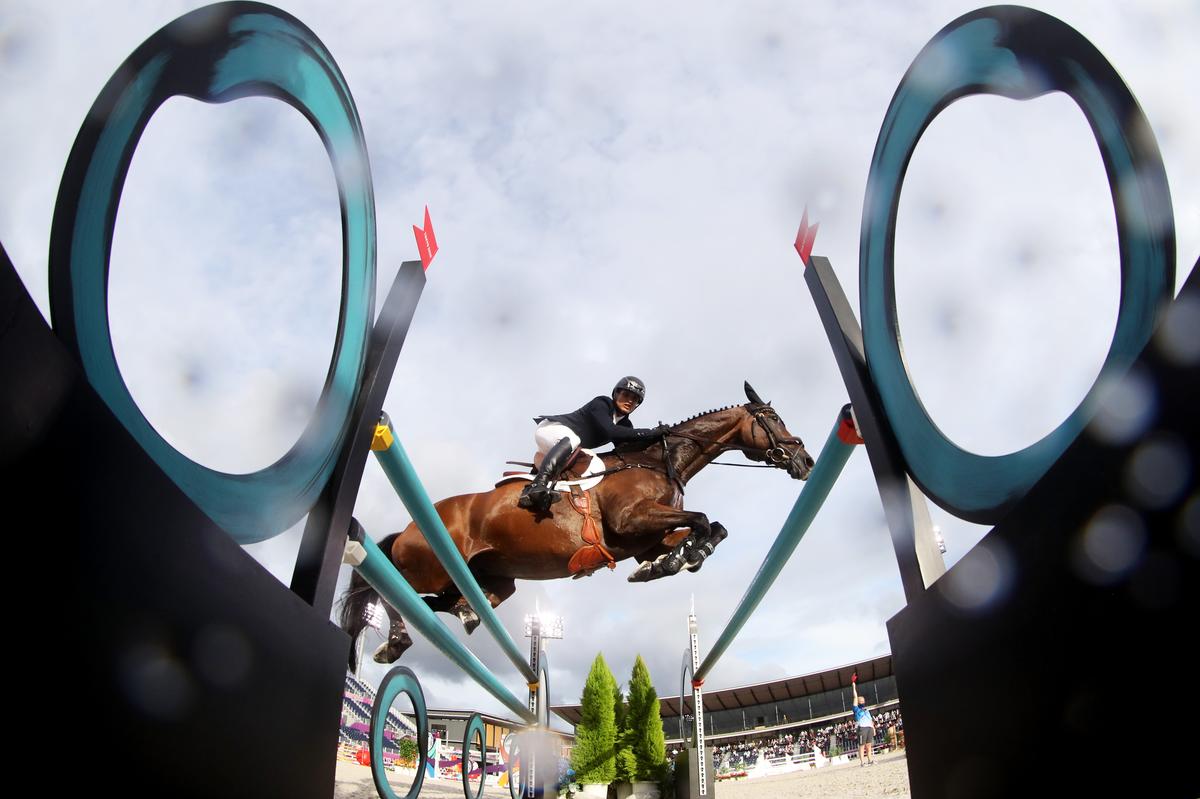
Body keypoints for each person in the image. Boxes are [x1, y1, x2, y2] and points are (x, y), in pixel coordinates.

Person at [517, 376, 667, 512]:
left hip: (566, 446)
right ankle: (538, 484)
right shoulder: (602, 403)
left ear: (637, 405)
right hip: (550, 429)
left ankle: (553, 488)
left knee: (590, 457)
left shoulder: (626, 425)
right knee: (575, 440)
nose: (629, 401)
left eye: (634, 399)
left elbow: (627, 451)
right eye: (626, 395)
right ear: (616, 394)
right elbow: (611, 431)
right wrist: (651, 432)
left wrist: (660, 441)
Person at [851, 673, 876, 766]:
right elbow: (855, 697)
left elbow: (870, 720)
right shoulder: (856, 709)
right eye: (860, 701)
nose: (862, 702)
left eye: (863, 701)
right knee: (862, 746)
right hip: (862, 729)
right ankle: (862, 762)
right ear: (858, 702)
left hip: (869, 728)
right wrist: (853, 686)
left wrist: (873, 728)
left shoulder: (867, 710)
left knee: (869, 746)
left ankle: (870, 760)